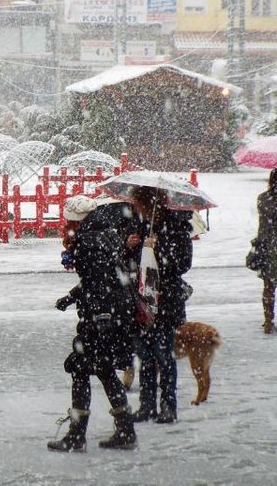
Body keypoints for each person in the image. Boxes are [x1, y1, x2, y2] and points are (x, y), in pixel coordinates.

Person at [48, 195, 138, 452]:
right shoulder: (108, 234)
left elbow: (97, 283)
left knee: (81, 369)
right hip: (115, 313)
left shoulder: (88, 241)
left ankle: (77, 436)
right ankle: (125, 429)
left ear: (77, 219)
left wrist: (99, 315)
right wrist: (72, 297)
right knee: (105, 369)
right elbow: (105, 278)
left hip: (100, 317)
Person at [129, 186, 193, 425]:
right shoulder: (143, 225)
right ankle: (147, 406)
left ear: (148, 202)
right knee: (144, 356)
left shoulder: (177, 228)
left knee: (164, 357)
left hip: (166, 301)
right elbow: (135, 264)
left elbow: (183, 264)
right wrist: (132, 246)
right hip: (144, 301)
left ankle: (168, 406)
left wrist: (159, 250)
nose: (134, 207)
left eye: (137, 203)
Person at [253, 168, 277, 334]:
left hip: (270, 246)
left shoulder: (263, 199)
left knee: (268, 286)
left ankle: (268, 320)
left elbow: (263, 227)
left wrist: (259, 245)